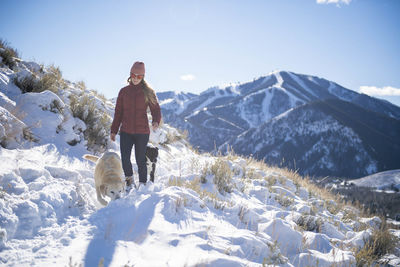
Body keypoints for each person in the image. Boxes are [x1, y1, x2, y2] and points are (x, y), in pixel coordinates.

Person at [110, 61, 161, 189]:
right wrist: (114, 130)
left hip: (142, 132)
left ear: (143, 77)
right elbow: (118, 113)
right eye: (134, 75)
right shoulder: (123, 92)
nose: (136, 78)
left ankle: (143, 184)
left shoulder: (148, 92)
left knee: (140, 160)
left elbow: (156, 109)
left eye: (139, 76)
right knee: (125, 159)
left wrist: (155, 121)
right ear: (130, 74)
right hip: (126, 131)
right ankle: (130, 182)